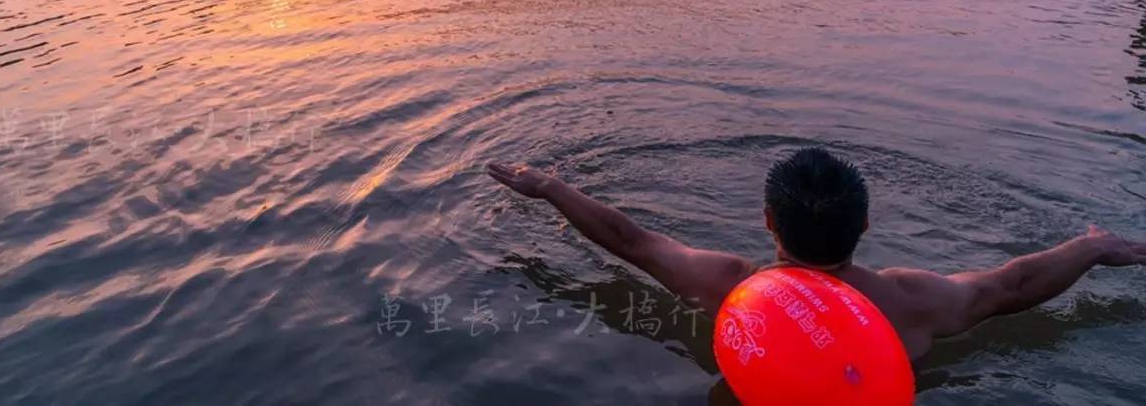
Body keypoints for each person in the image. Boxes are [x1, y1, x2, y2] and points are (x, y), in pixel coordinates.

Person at [487, 147, 1145, 359]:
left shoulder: (725, 284)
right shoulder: (910, 300)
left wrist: (548, 185)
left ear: (767, 219)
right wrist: (1091, 247)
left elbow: (631, 240)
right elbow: (1013, 284)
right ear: (867, 223)